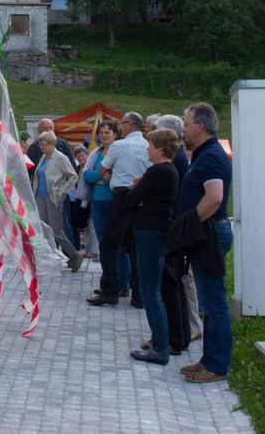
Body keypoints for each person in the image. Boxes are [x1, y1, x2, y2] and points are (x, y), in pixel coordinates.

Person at [177, 102, 233, 384]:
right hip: (207, 232)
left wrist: (190, 223)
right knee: (208, 301)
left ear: (200, 127)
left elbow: (214, 197)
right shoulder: (205, 153)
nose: (183, 130)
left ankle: (217, 365)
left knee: (213, 301)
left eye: (186, 124)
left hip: (210, 234)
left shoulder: (210, 156)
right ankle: (208, 359)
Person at [124, 129, 181, 364]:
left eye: (150, 145)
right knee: (154, 290)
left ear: (160, 148)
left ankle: (159, 348)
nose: (147, 149)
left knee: (150, 291)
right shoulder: (170, 170)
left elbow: (131, 199)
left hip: (150, 230)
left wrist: (138, 189)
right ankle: (160, 340)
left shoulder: (158, 171)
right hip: (159, 228)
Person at [88, 112, 149, 307]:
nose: (120, 127)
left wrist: (109, 173)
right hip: (142, 198)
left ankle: (110, 290)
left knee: (108, 244)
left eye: (122, 123)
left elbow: (101, 170)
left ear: (129, 125)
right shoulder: (148, 145)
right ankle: (138, 294)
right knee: (136, 247)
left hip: (121, 197)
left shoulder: (118, 146)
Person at [153, 113, 197, 347]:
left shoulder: (174, 163)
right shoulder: (178, 159)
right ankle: (182, 332)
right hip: (177, 224)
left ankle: (185, 331)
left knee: (177, 282)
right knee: (178, 282)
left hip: (174, 225)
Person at [82, 121, 128, 297]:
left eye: (107, 132)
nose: (103, 135)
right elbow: (87, 175)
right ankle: (109, 281)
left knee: (118, 244)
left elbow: (118, 178)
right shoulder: (96, 153)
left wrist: (100, 178)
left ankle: (123, 283)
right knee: (104, 244)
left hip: (113, 201)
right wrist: (100, 176)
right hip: (97, 201)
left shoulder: (120, 152)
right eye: (101, 132)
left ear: (115, 134)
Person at [31, 131, 84, 272]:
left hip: (53, 198)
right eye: (40, 144)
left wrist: (62, 191)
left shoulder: (60, 157)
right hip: (40, 197)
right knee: (43, 230)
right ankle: (50, 259)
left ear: (52, 144)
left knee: (56, 231)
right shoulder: (43, 157)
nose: (41, 147)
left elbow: (73, 176)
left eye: (44, 144)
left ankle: (75, 255)